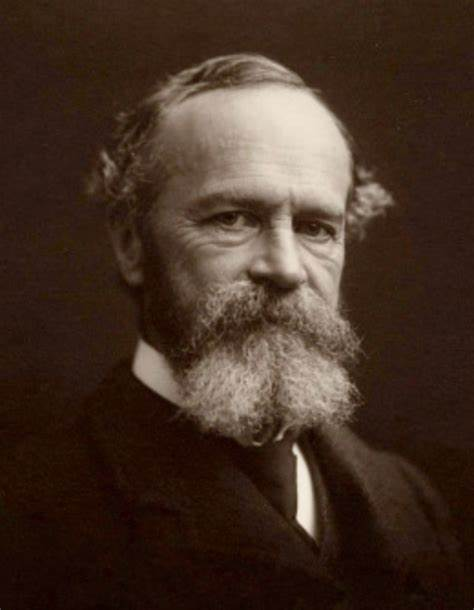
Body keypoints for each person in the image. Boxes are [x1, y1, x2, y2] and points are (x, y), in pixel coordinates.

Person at [0, 54, 467, 609]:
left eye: (316, 228)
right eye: (232, 219)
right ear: (131, 244)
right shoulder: (30, 513)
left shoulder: (411, 500)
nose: (286, 268)